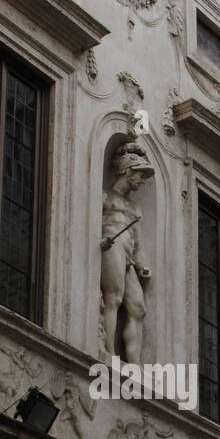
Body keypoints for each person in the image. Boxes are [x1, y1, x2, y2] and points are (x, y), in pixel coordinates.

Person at [100, 140, 153, 363]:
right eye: (140, 175)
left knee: (138, 308)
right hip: (112, 247)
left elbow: (138, 242)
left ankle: (134, 366)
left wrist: (142, 265)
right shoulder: (104, 196)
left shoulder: (135, 207)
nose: (141, 181)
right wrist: (102, 242)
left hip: (128, 255)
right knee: (114, 297)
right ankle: (109, 353)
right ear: (128, 171)